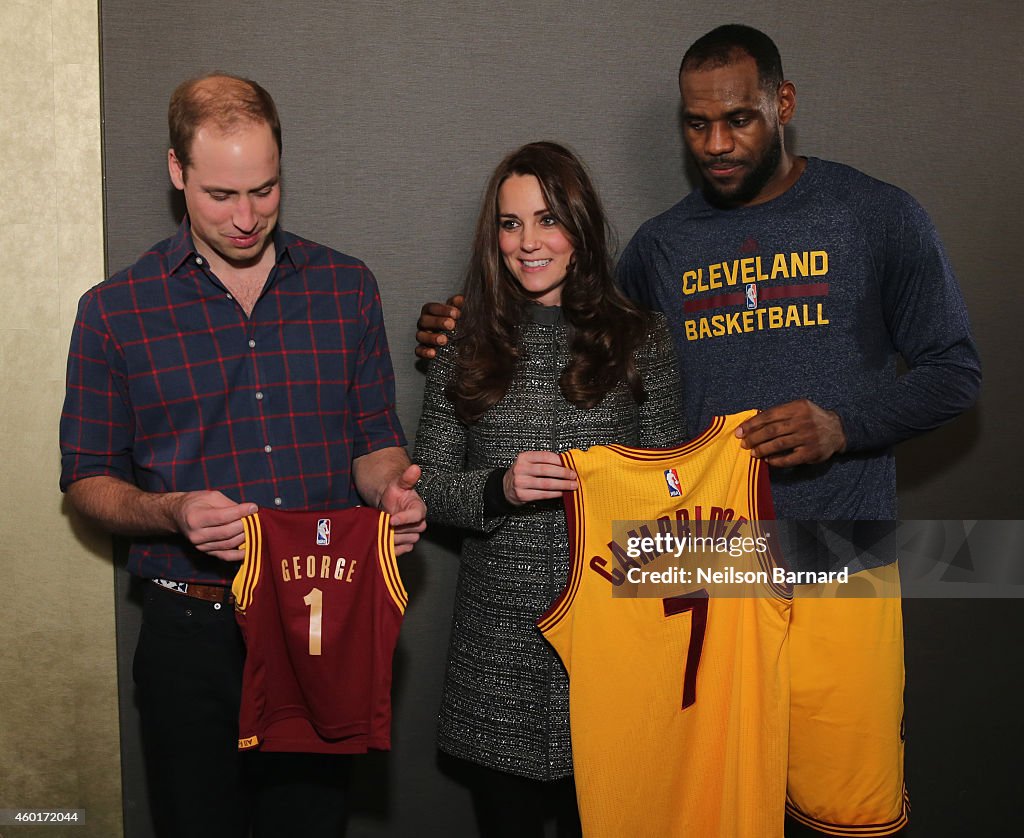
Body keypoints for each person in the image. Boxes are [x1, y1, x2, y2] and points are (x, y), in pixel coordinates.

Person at [417, 26, 980, 837]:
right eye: (696, 123)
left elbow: (954, 371)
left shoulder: (878, 215)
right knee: (713, 804)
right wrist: (449, 329)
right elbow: (571, 321)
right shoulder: (662, 245)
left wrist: (844, 427)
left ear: (783, 106)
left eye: (740, 120)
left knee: (844, 807)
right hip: (701, 567)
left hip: (837, 548)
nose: (716, 143)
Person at [60, 74, 425, 838]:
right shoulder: (112, 312)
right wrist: (171, 511)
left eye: (265, 190)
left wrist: (393, 493)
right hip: (189, 630)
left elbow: (373, 446)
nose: (247, 216)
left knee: (312, 823)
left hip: (317, 616)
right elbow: (86, 481)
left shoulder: (345, 286)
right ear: (176, 172)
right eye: (221, 195)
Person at [413, 141, 686, 838]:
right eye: (510, 224)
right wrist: (500, 488)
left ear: (581, 227)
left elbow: (672, 502)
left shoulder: (642, 340)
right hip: (496, 658)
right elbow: (429, 488)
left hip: (612, 652)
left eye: (546, 220)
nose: (528, 242)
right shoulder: (460, 341)